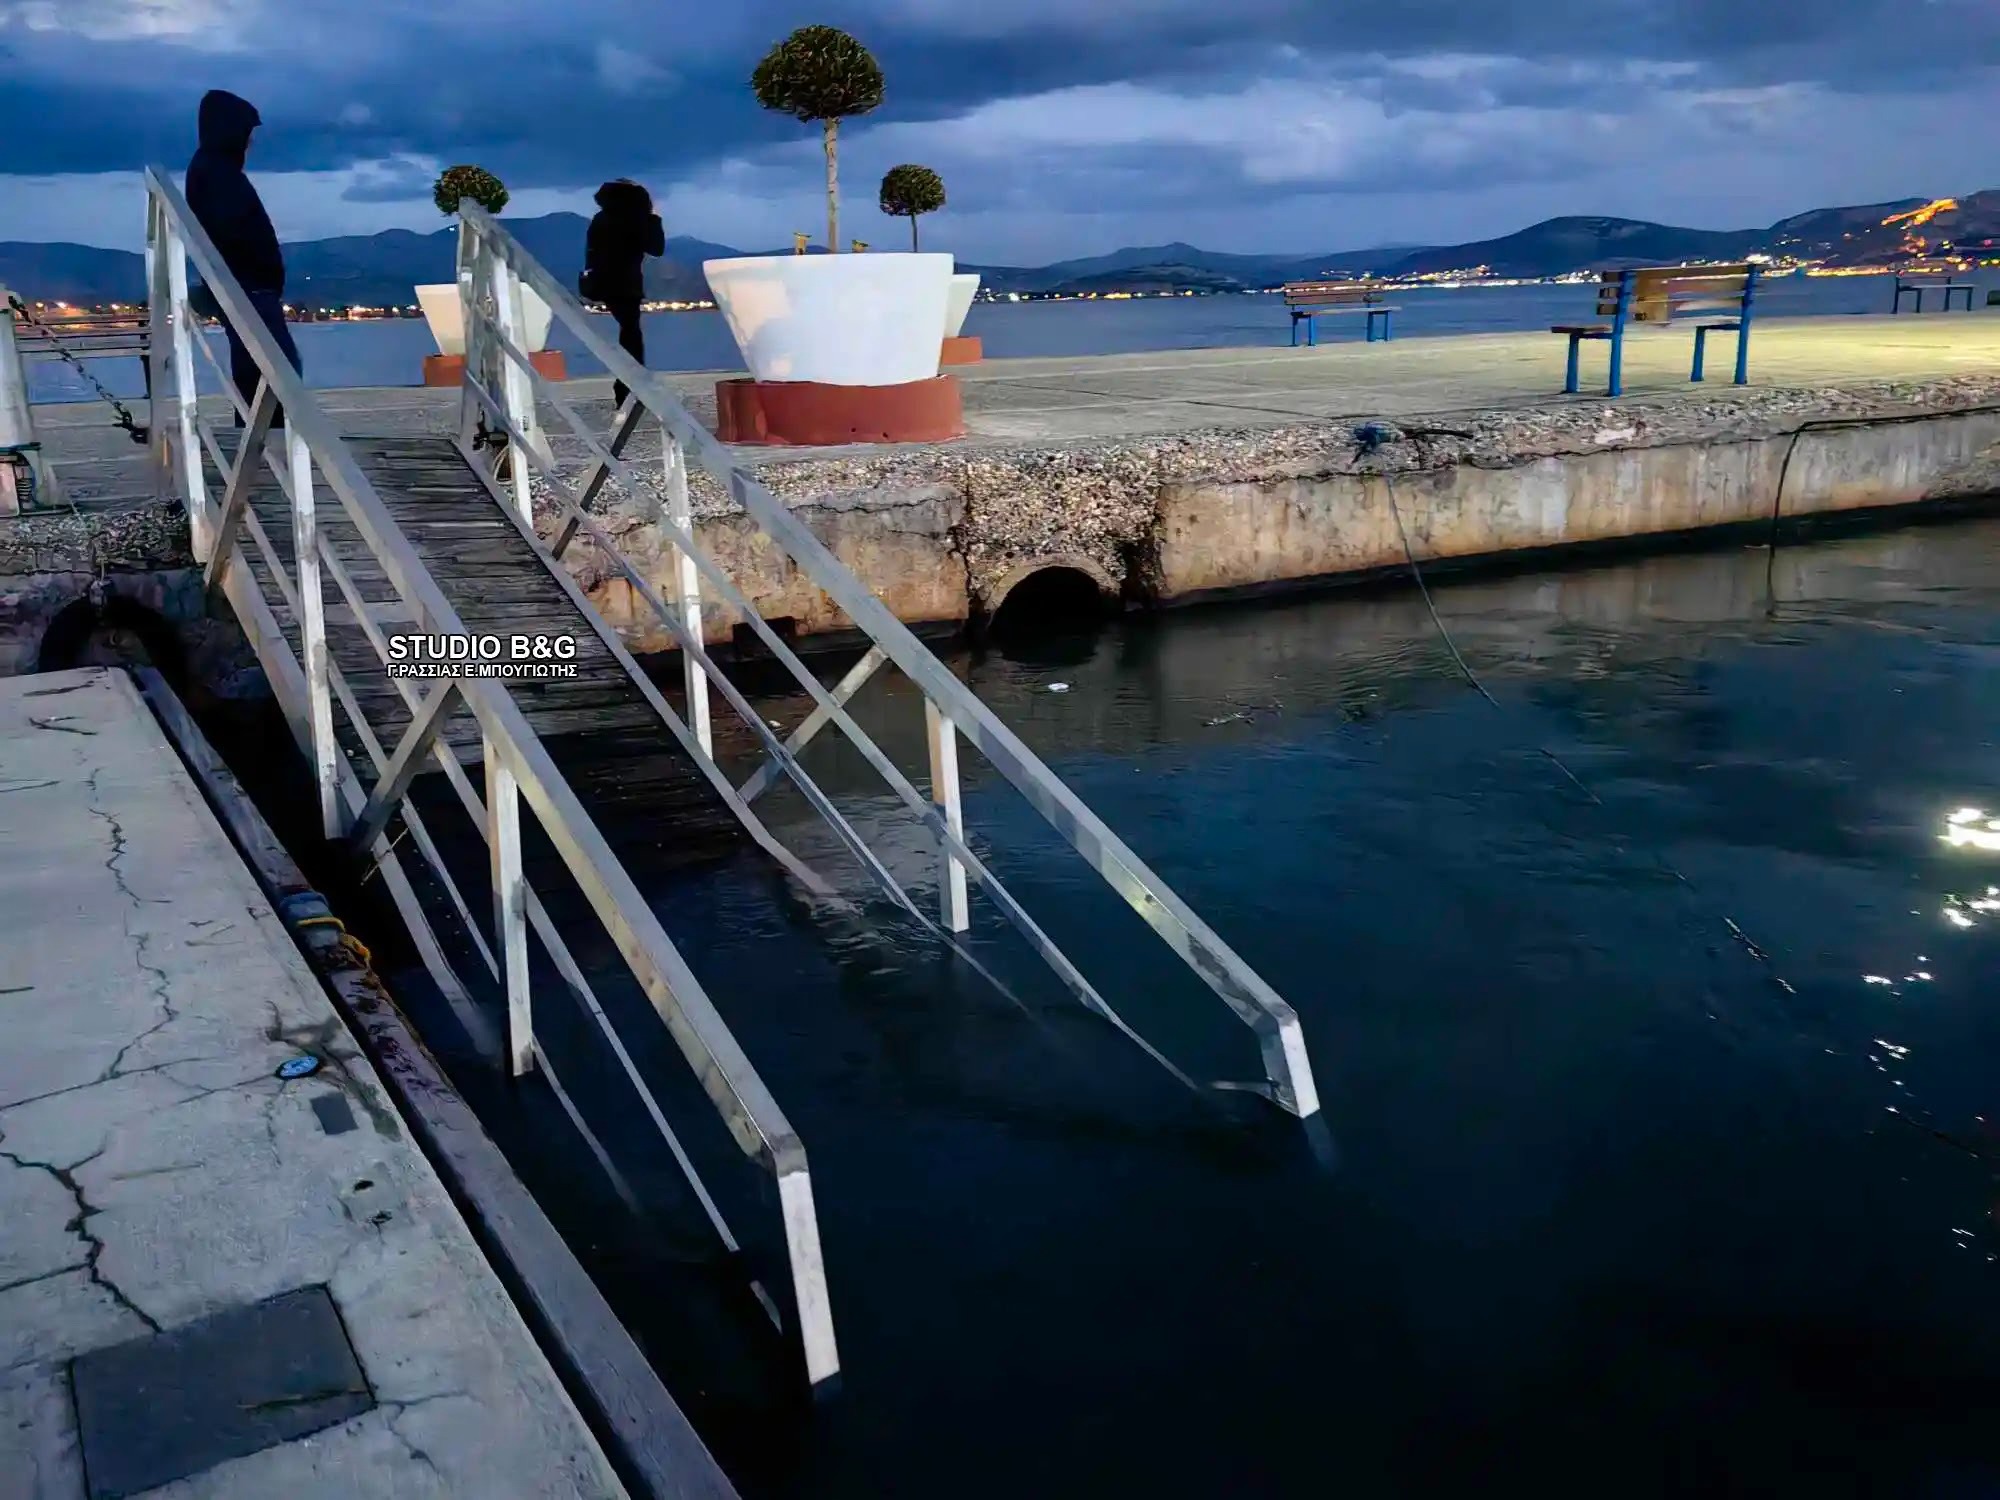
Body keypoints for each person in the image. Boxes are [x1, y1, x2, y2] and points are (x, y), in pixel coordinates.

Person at [185, 89, 300, 427]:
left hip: (248, 285)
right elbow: (230, 229)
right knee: (275, 370)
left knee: (259, 368)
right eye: (247, 132)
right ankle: (266, 440)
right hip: (246, 286)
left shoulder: (215, 170)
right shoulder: (216, 172)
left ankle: (259, 438)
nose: (251, 142)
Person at [581, 180, 664, 409]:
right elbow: (656, 248)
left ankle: (627, 387)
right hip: (625, 284)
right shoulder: (635, 220)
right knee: (631, 335)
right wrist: (654, 218)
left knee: (628, 333)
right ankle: (630, 387)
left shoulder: (602, 218)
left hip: (603, 282)